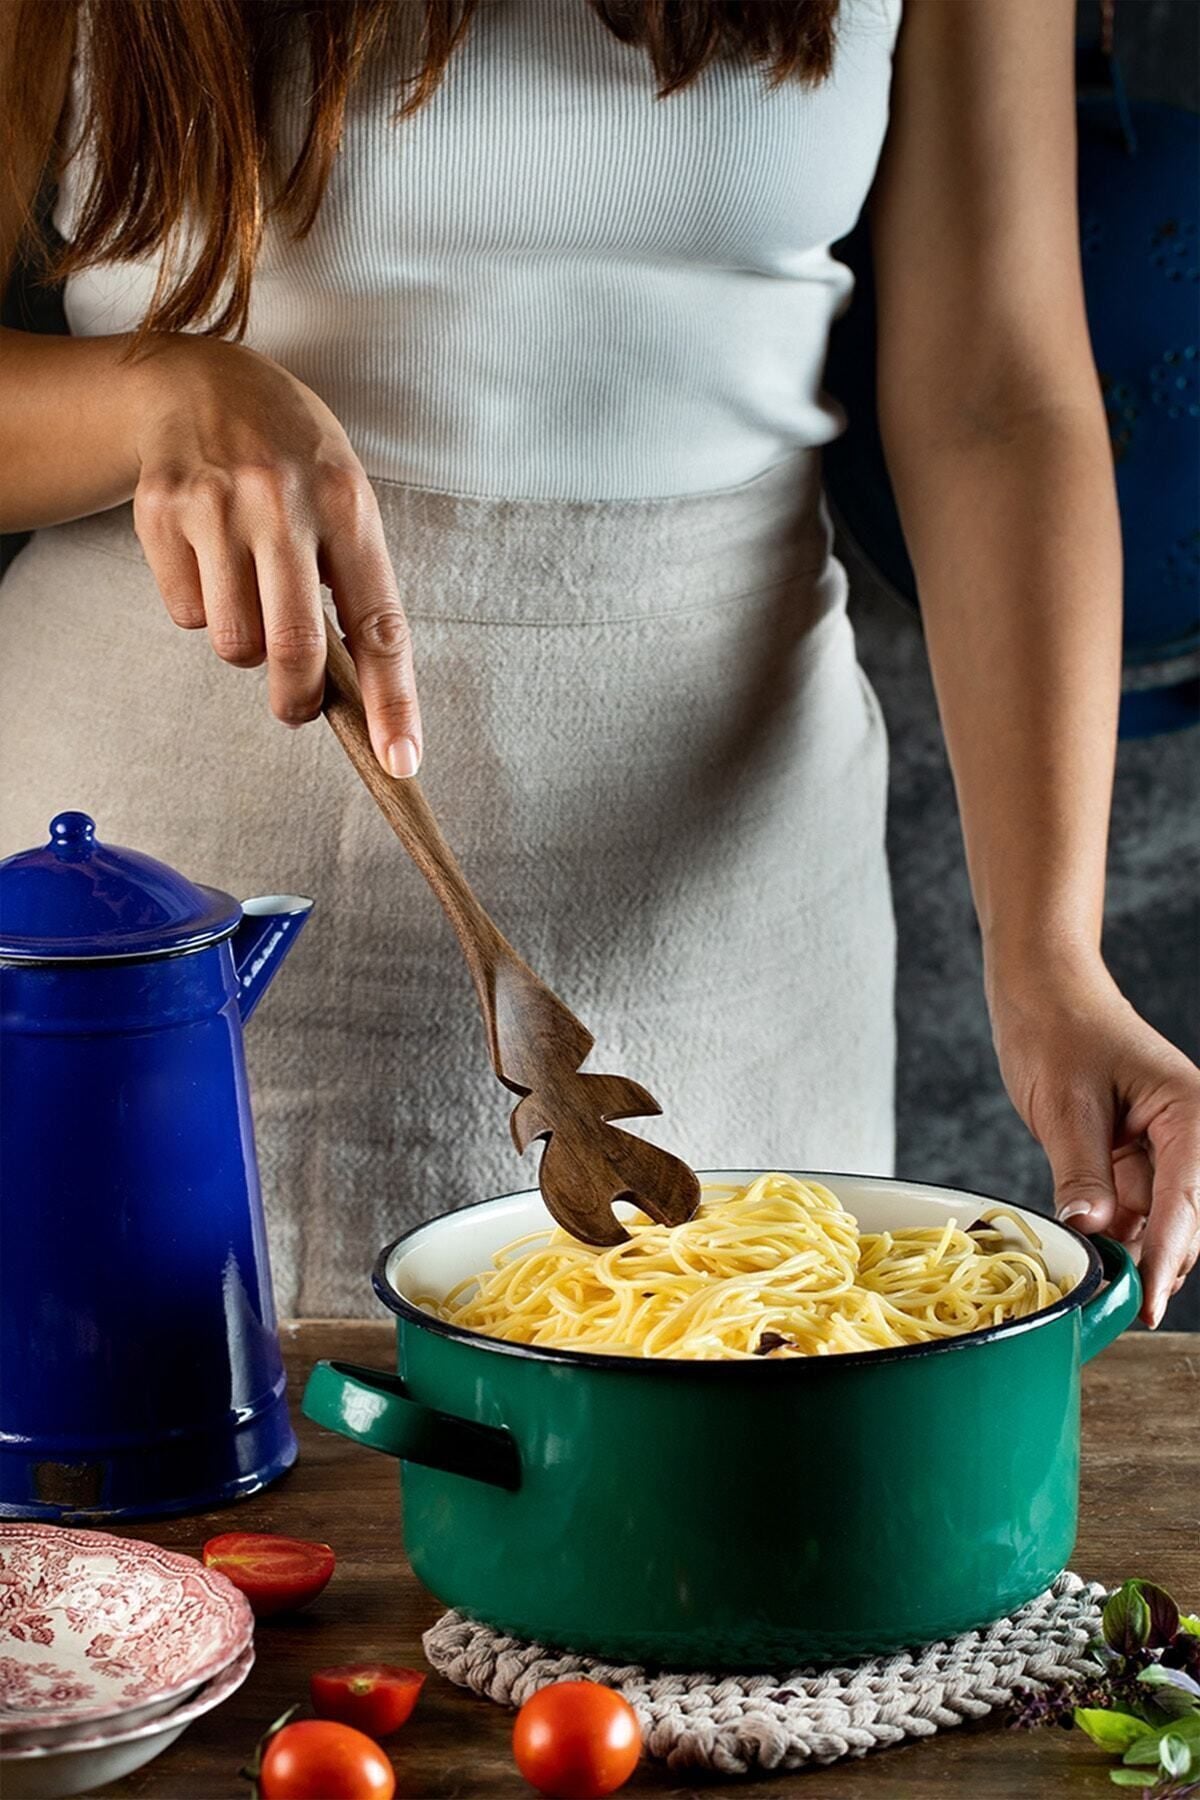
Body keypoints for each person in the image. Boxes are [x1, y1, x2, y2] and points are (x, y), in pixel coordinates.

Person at [2, 0, 1196, 1322]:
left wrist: (1049, 958)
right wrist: (145, 396)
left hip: (732, 929)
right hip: (136, 939)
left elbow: (995, 393)